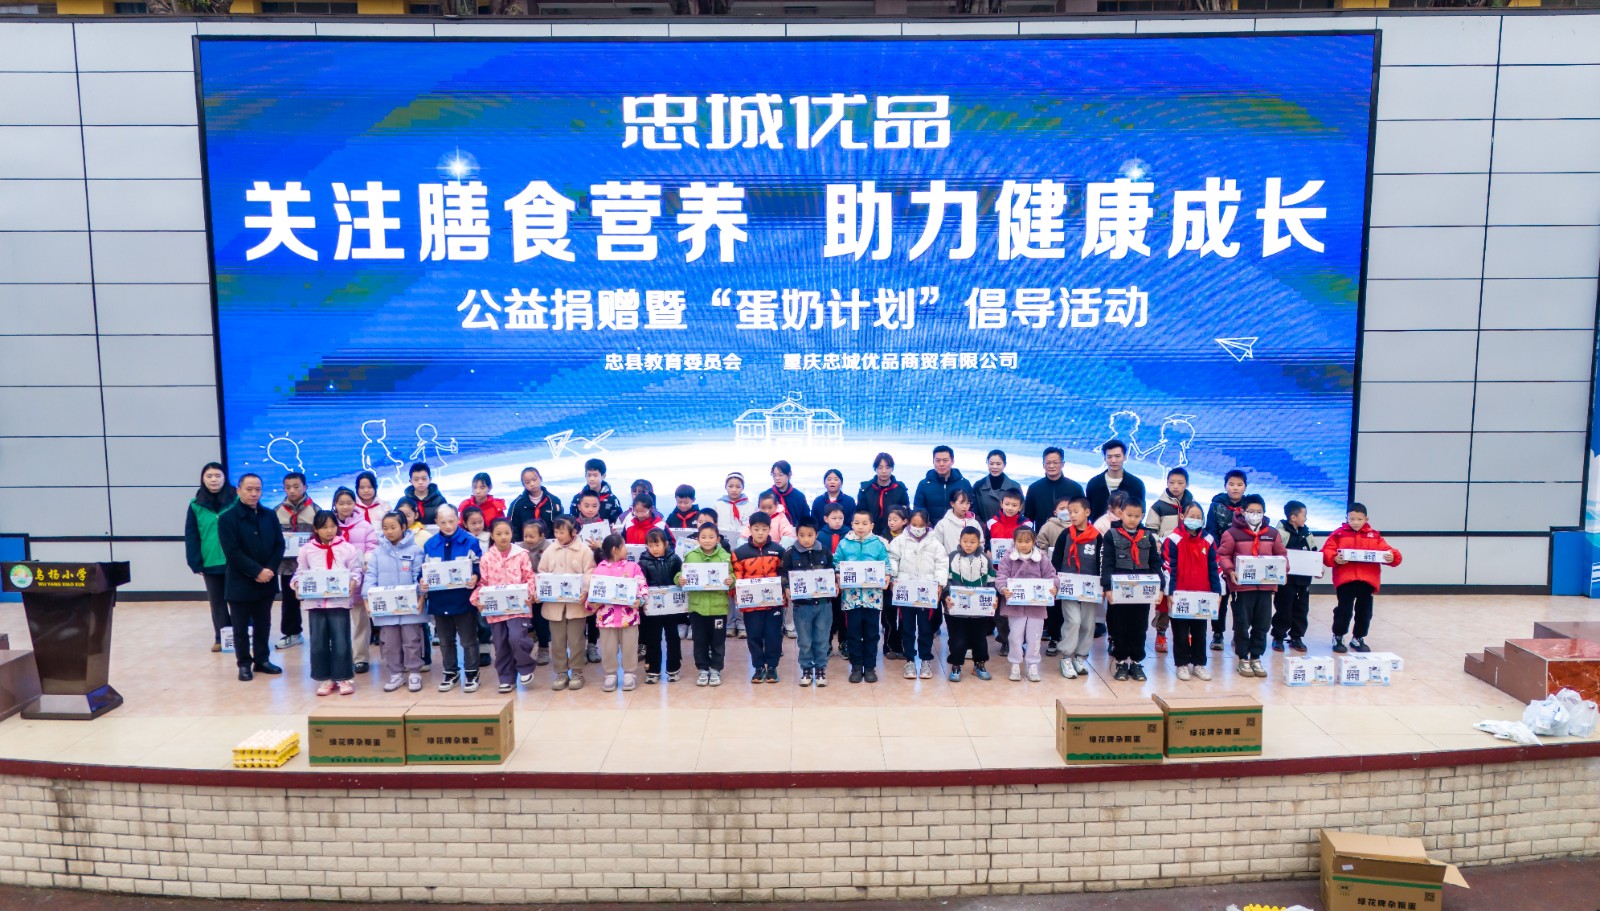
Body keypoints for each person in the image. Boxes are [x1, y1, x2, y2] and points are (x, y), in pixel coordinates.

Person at [216, 473, 285, 681]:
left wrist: (269, 569)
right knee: (240, 627)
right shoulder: (227, 518)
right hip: (240, 582)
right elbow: (232, 551)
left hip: (267, 580)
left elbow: (279, 544)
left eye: (258, 489)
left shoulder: (269, 515)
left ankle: (262, 660)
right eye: (249, 489)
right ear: (238, 490)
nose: (254, 493)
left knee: (263, 623)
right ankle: (244, 664)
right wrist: (256, 571)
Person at [291, 510, 364, 696]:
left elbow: (356, 571)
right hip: (315, 604)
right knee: (318, 642)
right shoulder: (307, 549)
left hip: (339, 603)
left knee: (341, 641)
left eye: (333, 526)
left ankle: (343, 677)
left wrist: (353, 582)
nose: (329, 531)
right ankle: (325, 678)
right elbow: (300, 572)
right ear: (316, 529)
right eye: (324, 527)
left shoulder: (347, 548)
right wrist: (297, 584)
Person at [1216, 494, 1286, 679]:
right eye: (1251, 511)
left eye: (1259, 512)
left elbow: (1282, 555)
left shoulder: (1272, 533)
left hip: (1265, 587)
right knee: (1242, 623)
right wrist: (1230, 571)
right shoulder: (1232, 533)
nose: (1255, 515)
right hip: (1242, 587)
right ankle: (1242, 658)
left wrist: (1282, 569)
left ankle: (1256, 657)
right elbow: (1223, 555)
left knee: (1262, 624)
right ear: (1243, 511)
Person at [1322, 503, 1402, 654]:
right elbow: (1326, 551)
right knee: (1344, 610)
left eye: (1359, 519)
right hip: (1346, 580)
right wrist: (1334, 558)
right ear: (1346, 518)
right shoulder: (1338, 534)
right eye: (1352, 519)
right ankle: (1338, 636)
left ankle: (1358, 638)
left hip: (1367, 581)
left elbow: (1388, 551)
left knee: (1365, 612)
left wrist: (1393, 556)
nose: (1355, 522)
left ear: (1366, 519)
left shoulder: (1375, 536)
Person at [421, 504, 482, 693]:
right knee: (445, 640)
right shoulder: (430, 545)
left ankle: (472, 673)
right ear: (436, 522)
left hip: (463, 600)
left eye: (451, 521)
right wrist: (422, 581)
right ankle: (450, 672)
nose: (448, 526)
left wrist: (475, 577)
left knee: (468, 640)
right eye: (443, 522)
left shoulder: (470, 541)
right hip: (439, 601)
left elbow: (479, 566)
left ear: (458, 519)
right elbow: (423, 571)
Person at [472, 518, 537, 694]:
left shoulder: (521, 554)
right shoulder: (486, 558)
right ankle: (506, 678)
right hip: (496, 610)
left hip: (519, 607)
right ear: (492, 535)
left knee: (516, 637)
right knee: (500, 645)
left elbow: (529, 577)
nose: (503, 537)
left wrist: (530, 594)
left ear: (512, 534)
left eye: (507, 533)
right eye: (499, 533)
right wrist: (478, 600)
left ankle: (525, 667)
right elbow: (483, 583)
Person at [1101, 499, 1161, 682]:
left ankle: (1136, 662)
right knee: (1119, 626)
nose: (1132, 519)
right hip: (1119, 590)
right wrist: (1107, 587)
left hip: (1142, 592)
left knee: (1139, 627)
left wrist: (1160, 588)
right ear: (1121, 514)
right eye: (1129, 515)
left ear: (1142, 516)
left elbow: (1155, 563)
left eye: (1137, 516)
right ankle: (1120, 661)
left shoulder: (1148, 536)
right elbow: (1107, 562)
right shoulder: (1111, 535)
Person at [367, 511, 427, 693]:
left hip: (410, 607)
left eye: (393, 527)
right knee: (389, 642)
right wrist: (367, 599)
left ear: (403, 527)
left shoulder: (415, 550)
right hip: (386, 609)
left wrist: (421, 596)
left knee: (412, 640)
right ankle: (396, 673)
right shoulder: (377, 553)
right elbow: (370, 576)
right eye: (385, 528)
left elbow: (419, 576)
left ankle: (414, 672)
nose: (389, 532)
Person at [1162, 502, 1221, 682]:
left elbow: (1215, 568)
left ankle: (1199, 664)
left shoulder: (1209, 540)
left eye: (1198, 517)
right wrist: (1170, 593)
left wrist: (1217, 593)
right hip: (1180, 596)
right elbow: (1168, 568)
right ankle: (1181, 664)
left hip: (1202, 596)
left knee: (1200, 632)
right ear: (1182, 516)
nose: (1195, 520)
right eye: (1191, 516)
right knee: (1180, 633)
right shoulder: (1173, 539)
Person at [888, 508, 949, 680]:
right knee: (907, 627)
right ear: (908, 523)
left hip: (926, 592)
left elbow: (942, 564)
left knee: (925, 628)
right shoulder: (899, 541)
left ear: (927, 525)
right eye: (914, 524)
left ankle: (925, 660)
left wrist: (939, 583)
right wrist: (893, 578)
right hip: (905, 591)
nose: (917, 528)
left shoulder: (935, 543)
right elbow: (892, 559)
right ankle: (909, 660)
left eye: (921, 525)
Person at [539, 517, 597, 690]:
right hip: (554, 606)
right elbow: (542, 572)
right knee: (557, 641)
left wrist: (585, 591)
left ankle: (577, 671)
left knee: (576, 640)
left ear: (573, 532)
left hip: (576, 606)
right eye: (556, 532)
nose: (558, 535)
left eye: (562, 532)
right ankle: (561, 672)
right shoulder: (550, 550)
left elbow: (590, 573)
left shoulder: (584, 550)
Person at [1142, 467, 1194, 658]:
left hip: (1188, 561)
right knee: (1164, 598)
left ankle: (1187, 633)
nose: (1175, 486)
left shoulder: (1192, 506)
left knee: (1186, 596)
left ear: (1187, 484)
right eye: (1171, 482)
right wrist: (1159, 542)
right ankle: (1161, 633)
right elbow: (1150, 530)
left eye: (1180, 483)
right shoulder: (1158, 506)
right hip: (1165, 560)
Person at [836, 508, 891, 684]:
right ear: (852, 524)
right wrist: (838, 575)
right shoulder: (844, 543)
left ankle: (870, 667)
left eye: (865, 523)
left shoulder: (878, 544)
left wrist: (887, 576)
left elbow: (886, 565)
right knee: (853, 633)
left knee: (872, 634)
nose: (860, 527)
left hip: (873, 598)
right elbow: (836, 563)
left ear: (871, 525)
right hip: (851, 599)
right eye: (857, 523)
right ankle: (856, 666)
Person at [184, 462, 236, 652]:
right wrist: (194, 561)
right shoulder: (195, 505)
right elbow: (191, 535)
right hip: (210, 560)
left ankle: (243, 636)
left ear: (225, 478)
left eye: (218, 476)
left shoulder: (236, 500)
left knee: (238, 600)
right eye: (209, 476)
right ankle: (221, 638)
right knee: (217, 603)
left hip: (235, 561)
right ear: (203, 479)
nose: (214, 480)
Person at [994, 526, 1055, 682]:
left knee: (1035, 636)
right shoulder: (1008, 557)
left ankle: (1032, 664)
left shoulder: (1042, 558)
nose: (1023, 544)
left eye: (1027, 541)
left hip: (1037, 607)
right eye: (1019, 541)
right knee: (1015, 636)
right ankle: (1015, 664)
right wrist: (1003, 588)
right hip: (1015, 606)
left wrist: (1054, 587)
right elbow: (1001, 576)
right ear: (1014, 542)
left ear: (1034, 542)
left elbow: (1051, 575)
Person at [1050, 496, 1100, 680]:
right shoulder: (1065, 535)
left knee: (1088, 623)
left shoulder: (1097, 536)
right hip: (1068, 587)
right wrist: (1055, 581)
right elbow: (1055, 560)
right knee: (1073, 621)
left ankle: (1080, 656)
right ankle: (1066, 657)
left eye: (1075, 511)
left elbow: (1101, 562)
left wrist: (1102, 585)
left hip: (1089, 588)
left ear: (1087, 512)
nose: (1071, 515)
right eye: (1069, 512)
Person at [733, 511, 786, 683]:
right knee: (754, 635)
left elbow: (784, 574)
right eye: (756, 529)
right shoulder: (740, 553)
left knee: (773, 636)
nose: (760, 533)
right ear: (750, 529)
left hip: (774, 604)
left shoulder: (779, 551)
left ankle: (772, 667)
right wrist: (736, 593)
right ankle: (758, 667)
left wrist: (784, 589)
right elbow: (737, 577)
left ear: (770, 529)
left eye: (764, 529)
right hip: (751, 605)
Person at [680, 522, 735, 687]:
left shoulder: (725, 556)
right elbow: (681, 574)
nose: (707, 540)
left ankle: (716, 669)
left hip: (718, 608)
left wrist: (731, 580)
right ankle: (703, 669)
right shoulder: (691, 556)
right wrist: (679, 580)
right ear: (697, 539)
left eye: (711, 537)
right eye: (703, 537)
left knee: (718, 640)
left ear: (718, 539)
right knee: (700, 640)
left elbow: (732, 576)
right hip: (697, 608)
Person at [782, 517, 835, 687]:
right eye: (802, 535)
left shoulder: (824, 551)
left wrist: (835, 583)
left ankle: (820, 669)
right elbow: (784, 573)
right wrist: (786, 588)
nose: (806, 539)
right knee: (804, 641)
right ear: (796, 534)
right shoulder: (790, 553)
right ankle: (806, 669)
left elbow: (832, 571)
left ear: (816, 534)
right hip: (802, 606)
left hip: (823, 604)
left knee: (822, 639)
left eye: (810, 535)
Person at [331, 487, 378, 674]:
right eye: (341, 503)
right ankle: (341, 657)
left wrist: (367, 560)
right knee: (338, 623)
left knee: (360, 622)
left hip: (359, 580)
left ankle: (360, 658)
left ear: (355, 503)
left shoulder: (365, 526)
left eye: (349, 503)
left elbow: (372, 547)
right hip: (335, 582)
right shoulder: (329, 524)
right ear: (335, 504)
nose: (345, 507)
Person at [591, 534, 646, 693]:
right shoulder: (599, 570)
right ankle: (610, 674)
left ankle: (629, 673)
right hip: (606, 618)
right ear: (615, 550)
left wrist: (640, 600)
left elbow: (642, 586)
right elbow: (593, 594)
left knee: (630, 646)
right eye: (624, 546)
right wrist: (593, 604)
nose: (626, 549)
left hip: (629, 617)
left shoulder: (633, 567)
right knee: (608, 648)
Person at [1205, 470, 1249, 651]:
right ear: (1225, 486)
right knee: (1221, 597)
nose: (1235, 488)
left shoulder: (1250, 506)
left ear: (1245, 487)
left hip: (1244, 559)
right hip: (1221, 557)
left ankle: (1239, 634)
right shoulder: (1216, 506)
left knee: (1242, 600)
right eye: (1231, 484)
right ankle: (1217, 633)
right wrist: (1219, 553)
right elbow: (1211, 530)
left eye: (1239, 484)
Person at [986, 489, 1032, 657]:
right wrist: (988, 551)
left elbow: (1031, 546)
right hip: (998, 574)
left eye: (1014, 505)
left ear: (1020, 506)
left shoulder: (1027, 524)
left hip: (1020, 574)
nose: (1010, 508)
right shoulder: (992, 523)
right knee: (1000, 611)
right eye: (1007, 504)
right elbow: (986, 543)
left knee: (1019, 610)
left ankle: (1019, 641)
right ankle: (1005, 641)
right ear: (1001, 504)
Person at [273, 472, 316, 650]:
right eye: (288, 487)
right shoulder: (276, 511)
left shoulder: (316, 510)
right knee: (289, 600)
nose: (292, 491)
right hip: (287, 566)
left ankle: (320, 634)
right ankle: (292, 633)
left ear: (305, 487)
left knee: (317, 600)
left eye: (296, 486)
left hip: (312, 565)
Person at [945, 528, 994, 682]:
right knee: (957, 639)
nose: (968, 545)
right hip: (956, 610)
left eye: (972, 542)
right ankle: (956, 666)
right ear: (959, 541)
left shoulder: (985, 559)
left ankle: (979, 664)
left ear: (979, 543)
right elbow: (945, 579)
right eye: (965, 541)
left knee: (980, 639)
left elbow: (992, 580)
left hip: (980, 611)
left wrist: (994, 597)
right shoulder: (952, 557)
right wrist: (946, 596)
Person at [638, 528, 683, 685]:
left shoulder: (674, 559)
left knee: (673, 637)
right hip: (652, 609)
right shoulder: (643, 562)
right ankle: (652, 670)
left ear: (665, 544)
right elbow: (641, 584)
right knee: (653, 639)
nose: (654, 549)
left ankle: (674, 669)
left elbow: (680, 578)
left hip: (671, 609)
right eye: (650, 545)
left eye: (657, 545)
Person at [1272, 500, 1317, 654]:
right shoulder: (1280, 534)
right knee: (1283, 609)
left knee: (1301, 610)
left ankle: (1296, 637)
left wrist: (1317, 568)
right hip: (1286, 580)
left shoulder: (1307, 534)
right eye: (1304, 515)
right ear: (1293, 517)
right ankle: (1278, 637)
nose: (1306, 518)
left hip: (1303, 580)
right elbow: (1274, 553)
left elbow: (1314, 553)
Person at [1023, 447, 1085, 530]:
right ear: (1043, 464)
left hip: (1070, 535)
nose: (1051, 466)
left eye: (1055, 462)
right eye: (1048, 463)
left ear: (1062, 464)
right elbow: (1029, 518)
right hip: (1042, 536)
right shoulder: (1034, 488)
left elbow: (1082, 516)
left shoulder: (1075, 488)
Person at [1085, 440, 1145, 522]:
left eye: (1117, 456)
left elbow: (1141, 512)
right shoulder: (1094, 484)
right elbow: (1087, 512)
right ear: (1105, 458)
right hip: (1098, 529)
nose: (1113, 460)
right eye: (1109, 457)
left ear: (1124, 457)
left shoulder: (1136, 485)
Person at [519, 520, 552, 666]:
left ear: (541, 536)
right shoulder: (519, 549)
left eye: (532, 536)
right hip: (524, 591)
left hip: (540, 592)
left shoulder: (548, 549)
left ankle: (543, 648)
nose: (528, 539)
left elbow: (549, 571)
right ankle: (529, 639)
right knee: (526, 621)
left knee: (541, 620)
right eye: (525, 536)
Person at [913, 445, 973, 525]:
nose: (941, 464)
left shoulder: (964, 483)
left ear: (952, 461)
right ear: (933, 461)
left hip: (958, 528)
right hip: (931, 529)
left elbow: (972, 508)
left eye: (945, 460)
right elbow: (918, 510)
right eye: (938, 461)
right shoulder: (924, 484)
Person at [857, 452, 910, 537]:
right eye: (880, 467)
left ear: (892, 469)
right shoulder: (866, 489)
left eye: (887, 467)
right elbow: (860, 513)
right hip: (869, 534)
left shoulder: (900, 490)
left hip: (894, 535)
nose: (884, 471)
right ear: (875, 469)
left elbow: (906, 513)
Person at [507, 466, 563, 539]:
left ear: (540, 478)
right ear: (523, 484)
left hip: (550, 543)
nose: (532, 484)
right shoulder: (516, 505)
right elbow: (513, 529)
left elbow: (560, 525)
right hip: (525, 543)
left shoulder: (554, 501)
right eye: (527, 482)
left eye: (534, 479)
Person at [973, 449, 1022, 526]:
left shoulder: (1015, 486)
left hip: (1009, 530)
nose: (994, 467)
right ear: (987, 463)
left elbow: (1021, 512)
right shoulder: (978, 486)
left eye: (998, 464)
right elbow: (974, 512)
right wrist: (984, 527)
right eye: (991, 463)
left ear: (1004, 464)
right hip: (984, 530)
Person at [932, 488, 983, 556]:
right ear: (952, 504)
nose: (965, 506)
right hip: (949, 561)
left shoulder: (974, 523)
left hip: (972, 561)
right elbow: (936, 547)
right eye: (961, 503)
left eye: (967, 503)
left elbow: (981, 544)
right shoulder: (943, 524)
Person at [574, 457, 623, 524]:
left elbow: (618, 522)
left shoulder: (612, 499)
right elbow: (572, 522)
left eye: (595, 475)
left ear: (603, 476)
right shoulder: (578, 498)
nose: (592, 479)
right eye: (589, 475)